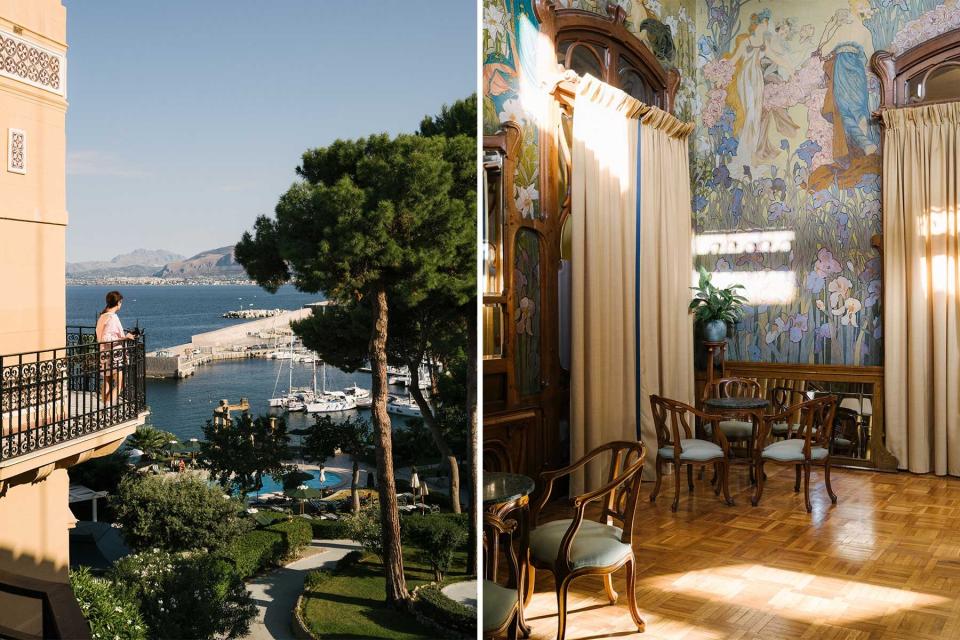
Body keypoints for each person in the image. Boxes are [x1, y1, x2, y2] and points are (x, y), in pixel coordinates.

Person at [95, 291, 136, 405]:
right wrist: (125, 337)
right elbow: (106, 338)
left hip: (104, 353)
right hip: (114, 355)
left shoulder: (102, 316)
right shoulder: (112, 318)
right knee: (119, 384)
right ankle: (108, 408)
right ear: (118, 302)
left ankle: (104, 408)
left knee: (107, 381)